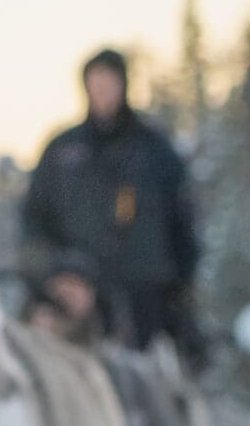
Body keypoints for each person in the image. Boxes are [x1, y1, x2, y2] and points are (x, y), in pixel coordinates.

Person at [19, 47, 206, 362]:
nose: (102, 90)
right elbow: (33, 222)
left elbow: (183, 223)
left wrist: (182, 288)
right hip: (79, 303)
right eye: (95, 82)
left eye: (109, 81)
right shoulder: (62, 151)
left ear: (123, 84)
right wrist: (58, 277)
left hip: (146, 301)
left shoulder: (154, 150)